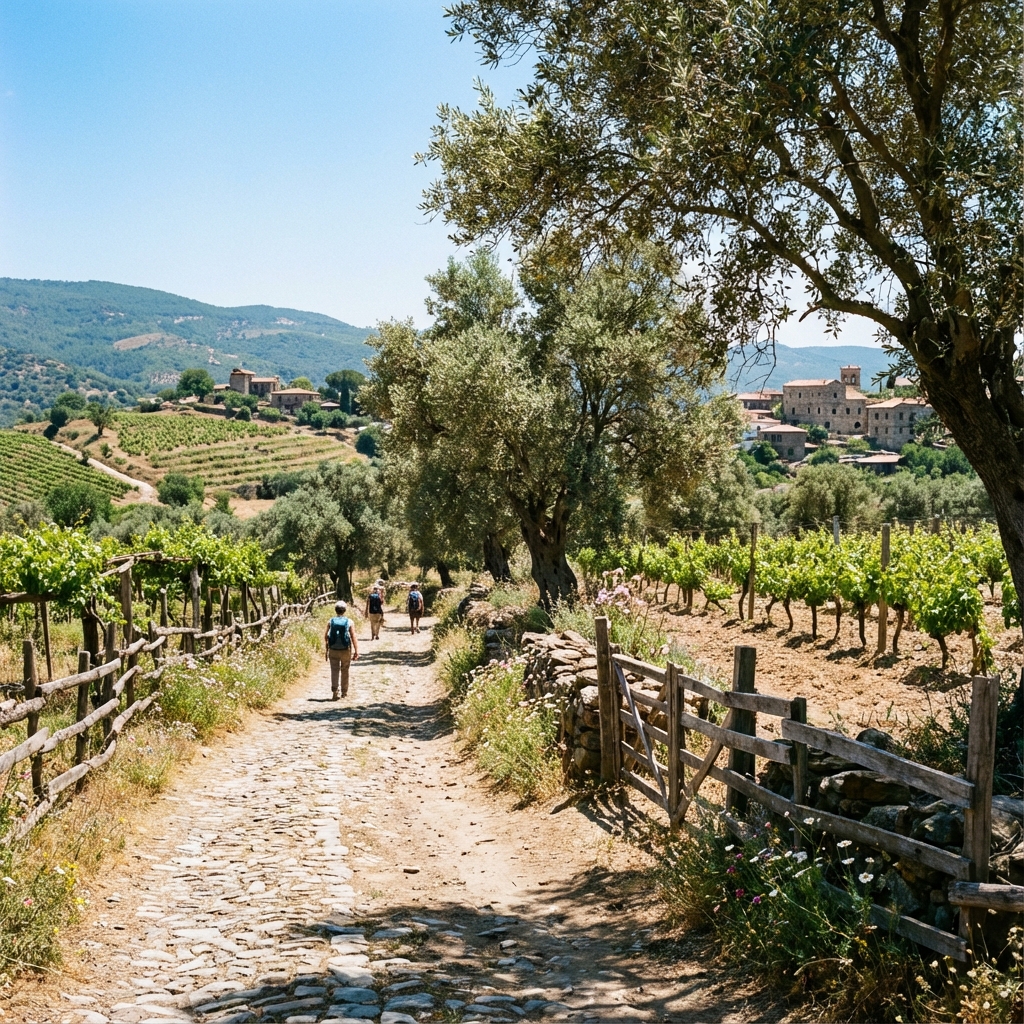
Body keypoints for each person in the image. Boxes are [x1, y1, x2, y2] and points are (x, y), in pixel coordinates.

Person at [324, 601, 359, 699]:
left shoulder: (330, 621)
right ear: (345, 610)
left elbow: (326, 636)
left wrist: (327, 649)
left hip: (333, 649)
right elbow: (353, 636)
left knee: (334, 670)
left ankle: (335, 690)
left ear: (335, 610)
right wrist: (356, 650)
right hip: (345, 649)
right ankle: (344, 692)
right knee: (345, 670)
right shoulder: (349, 621)